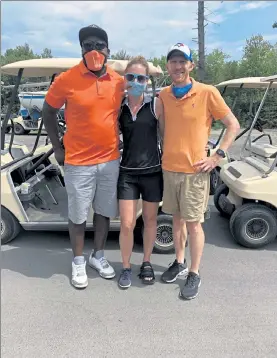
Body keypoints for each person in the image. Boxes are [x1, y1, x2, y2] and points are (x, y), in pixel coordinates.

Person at [42, 25, 125, 289]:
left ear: (108, 50)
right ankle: (78, 260)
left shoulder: (118, 81)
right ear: (81, 50)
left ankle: (97, 256)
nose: (94, 50)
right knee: (78, 215)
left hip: (110, 160)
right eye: (88, 45)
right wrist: (57, 147)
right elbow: (48, 112)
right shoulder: (66, 80)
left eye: (99, 45)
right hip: (77, 162)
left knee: (103, 212)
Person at [158, 43, 240, 300]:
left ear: (191, 65)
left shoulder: (207, 93)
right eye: (173, 61)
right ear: (168, 66)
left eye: (183, 61)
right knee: (176, 219)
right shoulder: (163, 95)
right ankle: (180, 261)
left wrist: (217, 156)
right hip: (170, 170)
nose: (178, 66)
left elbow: (232, 125)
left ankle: (194, 272)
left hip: (195, 172)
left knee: (194, 224)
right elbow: (161, 129)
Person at [116, 56, 164, 288]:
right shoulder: (119, 106)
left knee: (150, 220)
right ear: (125, 79)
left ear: (147, 81)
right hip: (127, 173)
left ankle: (146, 261)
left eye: (141, 78)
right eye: (131, 77)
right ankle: (126, 266)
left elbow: (165, 136)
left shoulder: (155, 104)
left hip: (152, 172)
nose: (135, 81)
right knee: (126, 223)